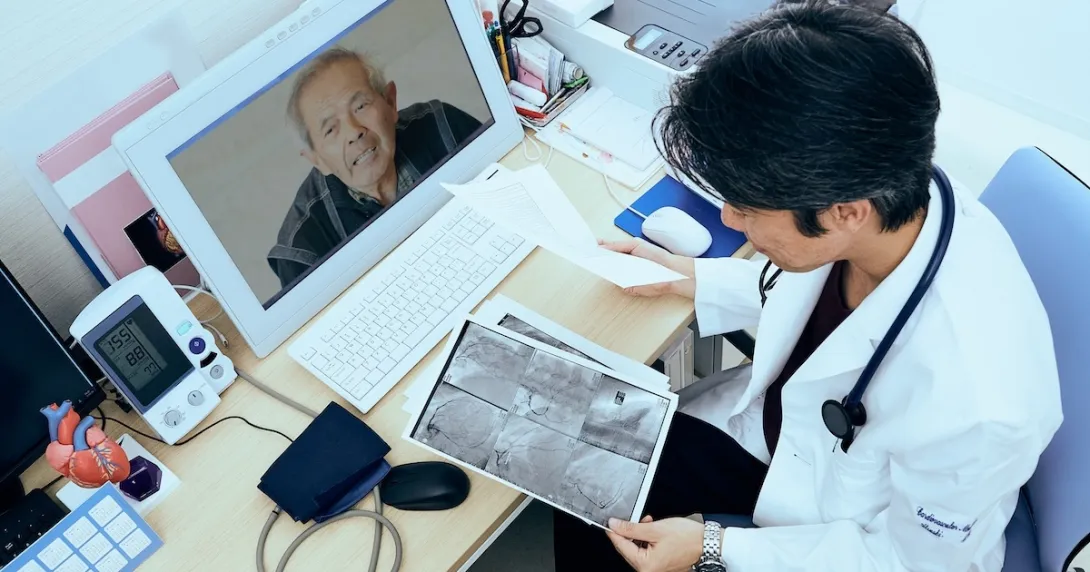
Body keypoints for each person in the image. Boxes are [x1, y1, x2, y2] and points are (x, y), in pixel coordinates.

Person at [553, 3, 1062, 571]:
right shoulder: (891, 199)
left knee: (598, 519)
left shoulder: (979, 404)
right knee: (576, 460)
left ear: (844, 212)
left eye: (747, 207)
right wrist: (693, 276)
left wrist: (716, 547)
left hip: (841, 535)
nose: (727, 220)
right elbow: (808, 302)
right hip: (776, 442)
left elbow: (911, 562)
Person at [267, 47, 483, 288]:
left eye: (360, 106)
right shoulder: (303, 248)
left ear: (390, 102)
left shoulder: (444, 127)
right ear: (316, 159)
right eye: (330, 129)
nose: (354, 131)